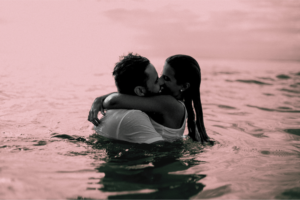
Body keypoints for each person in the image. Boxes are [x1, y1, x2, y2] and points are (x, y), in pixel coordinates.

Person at [88, 54, 209, 143]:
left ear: (184, 86)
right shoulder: (165, 101)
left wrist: (99, 100)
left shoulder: (169, 103)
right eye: (160, 76)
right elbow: (132, 96)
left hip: (161, 161)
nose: (160, 81)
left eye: (166, 79)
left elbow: (114, 101)